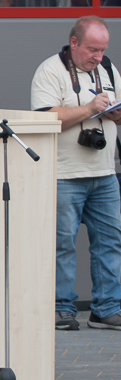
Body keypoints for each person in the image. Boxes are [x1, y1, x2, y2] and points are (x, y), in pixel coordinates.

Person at [31, 16, 121, 331]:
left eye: (102, 49)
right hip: (64, 174)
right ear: (74, 43)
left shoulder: (108, 69)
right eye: (92, 49)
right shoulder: (50, 71)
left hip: (105, 173)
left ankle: (107, 309)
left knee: (110, 241)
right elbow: (44, 119)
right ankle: (62, 309)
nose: (98, 56)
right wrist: (90, 109)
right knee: (62, 244)